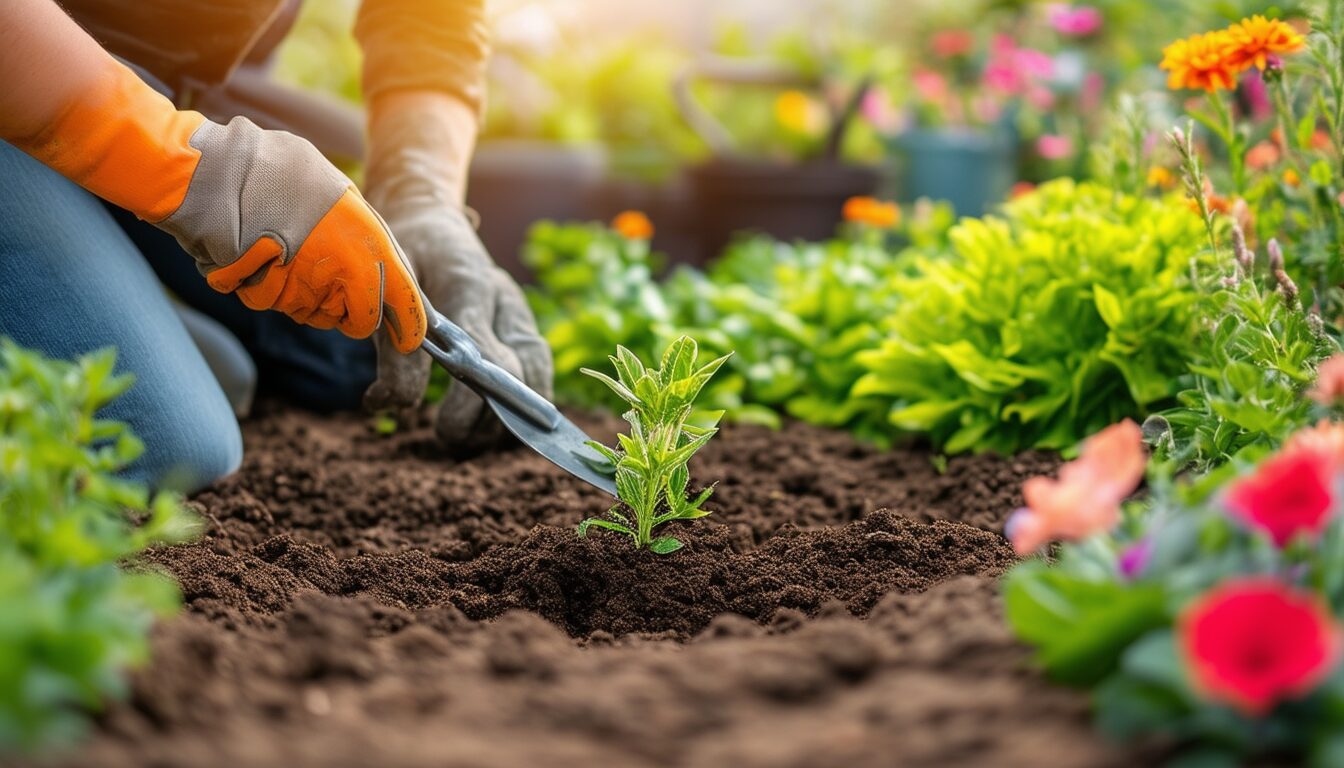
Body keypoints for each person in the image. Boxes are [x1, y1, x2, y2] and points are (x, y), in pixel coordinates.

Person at [0, 0, 552, 492]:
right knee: (162, 447)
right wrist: (192, 168)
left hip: (151, 74)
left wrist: (420, 194)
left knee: (349, 347)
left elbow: (430, 17)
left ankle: (110, 268)